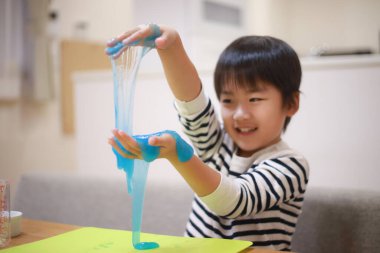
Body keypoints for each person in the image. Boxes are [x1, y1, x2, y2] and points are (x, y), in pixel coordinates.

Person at [107, 24, 309, 251]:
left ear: (291, 104)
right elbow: (191, 105)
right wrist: (171, 47)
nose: (240, 114)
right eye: (228, 101)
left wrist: (179, 155)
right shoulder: (216, 144)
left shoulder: (290, 164)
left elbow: (234, 201)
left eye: (254, 100)